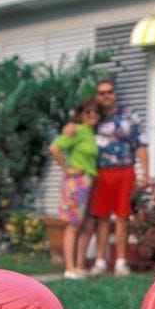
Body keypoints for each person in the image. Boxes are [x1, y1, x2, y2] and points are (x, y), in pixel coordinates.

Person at [88, 79, 149, 276]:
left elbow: (140, 145)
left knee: (123, 216)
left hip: (125, 170)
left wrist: (145, 172)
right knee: (102, 218)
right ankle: (100, 261)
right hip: (101, 173)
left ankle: (121, 262)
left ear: (115, 94)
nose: (106, 96)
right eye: (101, 93)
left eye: (109, 92)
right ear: (97, 96)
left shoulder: (129, 116)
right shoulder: (92, 118)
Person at [48, 97, 101, 279]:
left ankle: (79, 266)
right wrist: (66, 169)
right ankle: (69, 268)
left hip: (88, 183)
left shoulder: (91, 132)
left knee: (87, 225)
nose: (93, 115)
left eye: (96, 112)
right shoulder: (76, 130)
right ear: (81, 115)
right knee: (73, 225)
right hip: (76, 183)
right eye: (88, 112)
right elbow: (54, 147)